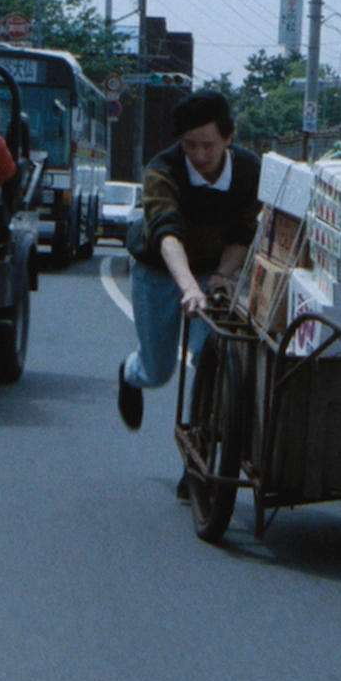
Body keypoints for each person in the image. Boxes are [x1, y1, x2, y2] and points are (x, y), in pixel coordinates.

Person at [117, 90, 261, 431]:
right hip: (159, 269)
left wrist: (223, 274)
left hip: (211, 265)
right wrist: (188, 288)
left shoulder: (249, 171)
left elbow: (244, 231)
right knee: (158, 370)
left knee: (211, 354)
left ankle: (200, 437)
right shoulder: (162, 169)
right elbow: (167, 233)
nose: (199, 154)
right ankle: (129, 374)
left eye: (209, 145)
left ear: (228, 137)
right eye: (189, 144)